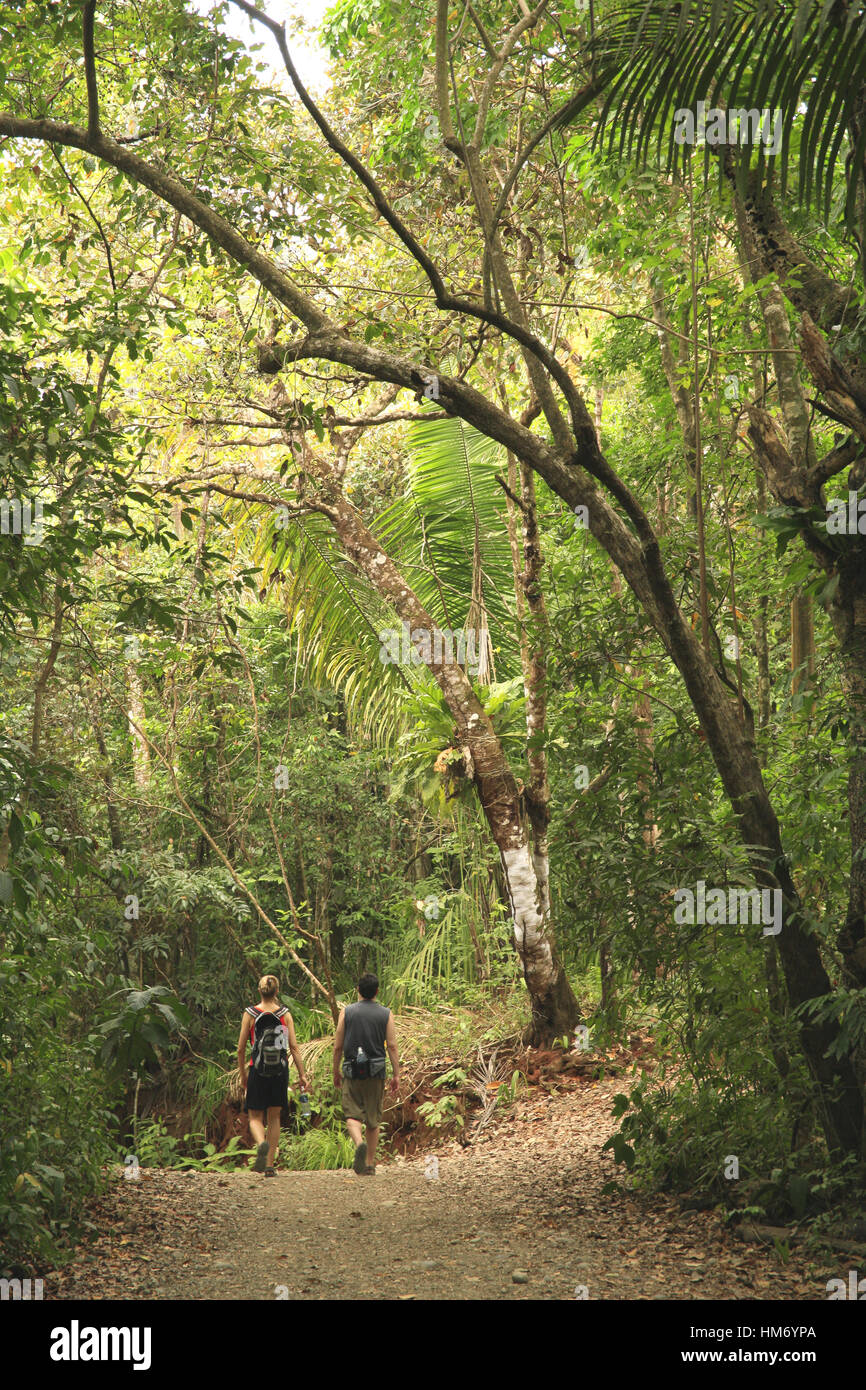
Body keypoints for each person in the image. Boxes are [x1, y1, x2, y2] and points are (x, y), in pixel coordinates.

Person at [237, 974, 310, 1177]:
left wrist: (244, 1075)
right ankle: (270, 1165)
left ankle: (261, 1144)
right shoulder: (285, 1014)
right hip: (280, 1070)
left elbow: (241, 1049)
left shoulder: (250, 1014)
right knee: (274, 1116)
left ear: (259, 991)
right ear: (277, 991)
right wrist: (302, 1074)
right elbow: (293, 1047)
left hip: (257, 1069)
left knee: (254, 1116)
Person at [332, 973, 400, 1176]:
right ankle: (369, 1163)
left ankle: (358, 1143)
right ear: (377, 992)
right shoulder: (386, 1014)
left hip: (352, 1070)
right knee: (373, 1119)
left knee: (352, 1116)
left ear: (358, 990)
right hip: (376, 1071)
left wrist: (335, 1070)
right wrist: (396, 1074)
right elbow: (393, 1046)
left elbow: (338, 1046)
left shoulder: (347, 1012)